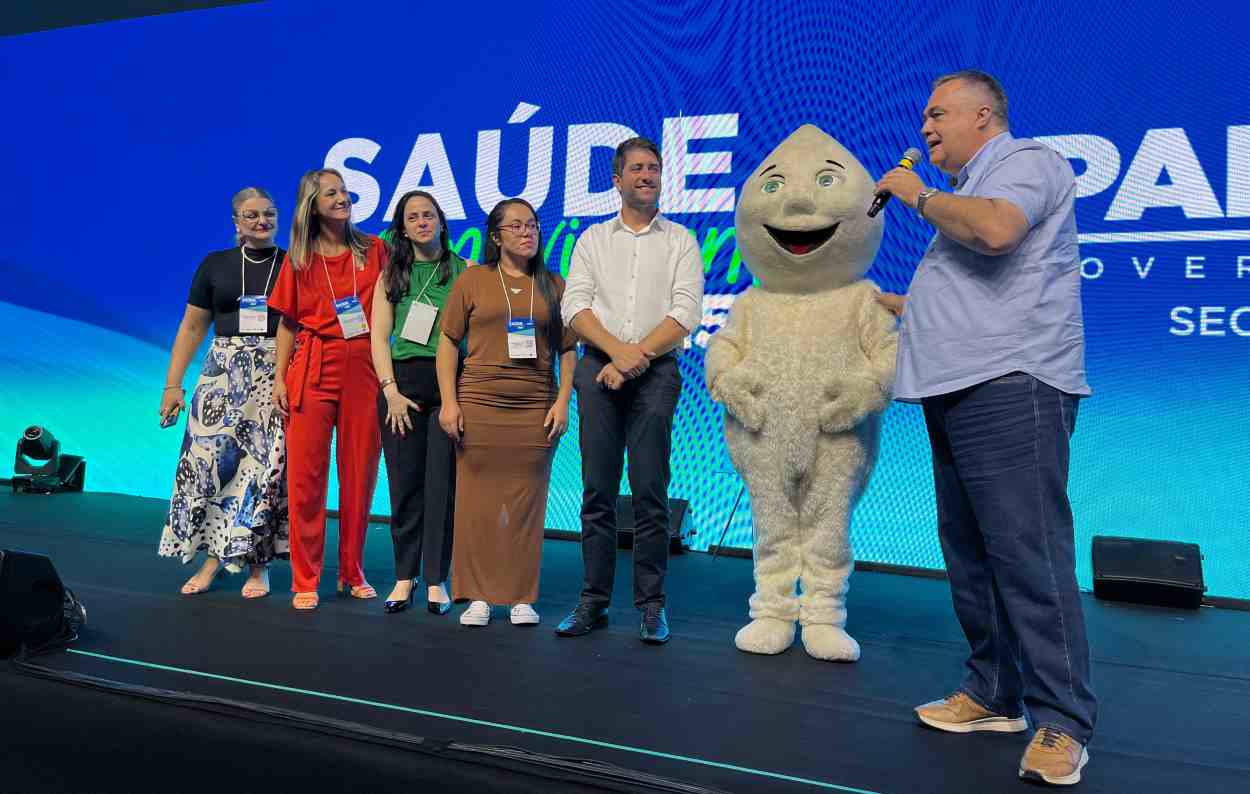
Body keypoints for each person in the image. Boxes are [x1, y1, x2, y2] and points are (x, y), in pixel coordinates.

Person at [873, 70, 1096, 786]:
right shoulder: (969, 190)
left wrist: (918, 195)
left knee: (1028, 557)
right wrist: (899, 303)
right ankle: (994, 693)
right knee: (971, 555)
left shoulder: (1025, 163)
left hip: (1012, 388)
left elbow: (998, 233)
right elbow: (979, 291)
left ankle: (1062, 721)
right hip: (957, 388)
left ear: (984, 115)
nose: (927, 127)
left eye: (938, 114)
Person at [554, 137, 703, 645]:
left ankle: (651, 605)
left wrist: (633, 358)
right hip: (598, 372)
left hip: (656, 375)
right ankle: (593, 602)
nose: (647, 175)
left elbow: (685, 313)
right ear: (617, 180)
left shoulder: (680, 239)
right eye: (637, 168)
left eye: (654, 168)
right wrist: (617, 352)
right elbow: (573, 307)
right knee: (597, 492)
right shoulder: (593, 240)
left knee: (649, 492)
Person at [436, 198, 576, 627]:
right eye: (515, 226)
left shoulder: (555, 285)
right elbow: (447, 343)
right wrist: (449, 401)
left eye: (531, 225)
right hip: (478, 402)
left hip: (535, 406)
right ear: (496, 237)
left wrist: (562, 401)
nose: (526, 232)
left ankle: (520, 596)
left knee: (525, 505)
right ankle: (477, 595)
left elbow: (569, 350)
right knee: (477, 504)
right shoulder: (473, 280)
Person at [158, 187, 288, 599]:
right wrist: (172, 385)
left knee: (264, 472)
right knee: (210, 466)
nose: (261, 221)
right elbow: (193, 326)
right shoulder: (215, 265)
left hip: (274, 374)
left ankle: (257, 565)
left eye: (268, 213)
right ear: (236, 222)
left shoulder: (292, 265)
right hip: (221, 379)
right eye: (251, 215)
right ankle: (212, 558)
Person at [269, 168, 386, 611]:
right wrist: (281, 377)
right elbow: (287, 324)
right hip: (312, 368)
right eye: (331, 193)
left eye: (344, 191)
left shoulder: (375, 250)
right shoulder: (299, 259)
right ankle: (305, 578)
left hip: (364, 367)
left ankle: (352, 572)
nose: (342, 198)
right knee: (306, 481)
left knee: (359, 476)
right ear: (312, 205)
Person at [369, 190, 468, 615]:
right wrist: (389, 389)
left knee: (443, 487)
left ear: (442, 222)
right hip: (401, 387)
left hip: (449, 384)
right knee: (404, 484)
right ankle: (403, 576)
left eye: (429, 215)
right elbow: (378, 336)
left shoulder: (463, 271)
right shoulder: (392, 274)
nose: (422, 222)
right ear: (403, 227)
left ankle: (436, 578)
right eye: (414, 217)